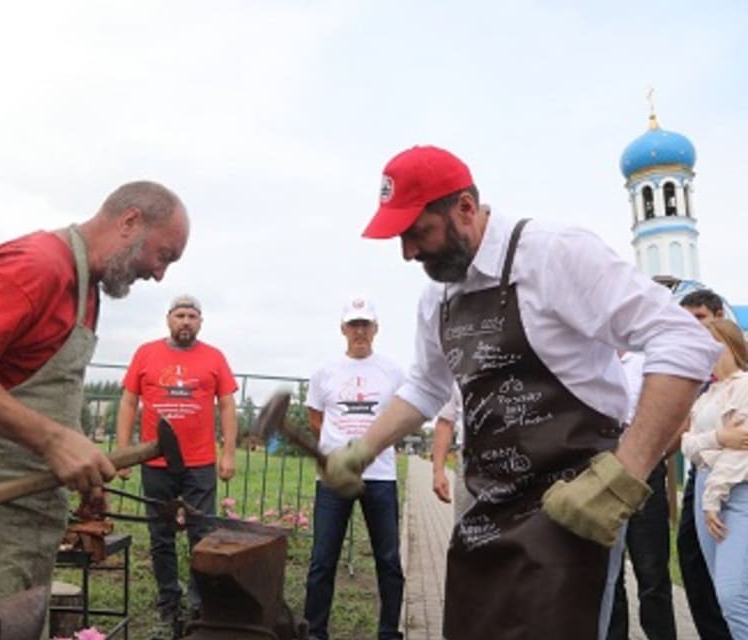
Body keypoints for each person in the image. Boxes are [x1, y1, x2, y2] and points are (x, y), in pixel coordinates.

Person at [318, 145, 721, 640]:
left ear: (465, 207)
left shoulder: (554, 254)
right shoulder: (436, 296)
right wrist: (363, 449)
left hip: (574, 507)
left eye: (418, 232)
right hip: (487, 510)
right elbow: (426, 386)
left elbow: (682, 340)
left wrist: (624, 475)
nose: (408, 252)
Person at [0, 181, 189, 618]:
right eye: (163, 255)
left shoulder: (84, 290)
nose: (159, 274)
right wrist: (52, 441)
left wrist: (79, 457)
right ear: (130, 221)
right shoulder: (35, 266)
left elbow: (40, 393)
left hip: (25, 519)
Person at [115, 294, 238, 637]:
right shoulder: (146, 353)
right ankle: (168, 603)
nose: (186, 321)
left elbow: (227, 406)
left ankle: (200, 604)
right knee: (161, 535)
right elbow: (128, 402)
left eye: (192, 316)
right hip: (155, 461)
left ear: (200, 322)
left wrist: (228, 453)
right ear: (169, 319)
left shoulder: (214, 357)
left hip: (200, 462)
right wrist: (123, 454)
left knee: (202, 534)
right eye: (180, 315)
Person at [304, 296, 405, 640]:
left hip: (380, 476)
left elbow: (400, 418)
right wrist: (338, 455)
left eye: (365, 324)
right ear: (343, 329)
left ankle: (389, 632)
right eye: (353, 325)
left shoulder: (393, 372)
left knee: (388, 560)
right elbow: (315, 420)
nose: (359, 331)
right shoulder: (325, 372)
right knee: (322, 560)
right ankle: (315, 632)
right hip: (334, 479)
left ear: (376, 329)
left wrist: (370, 450)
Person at [681, 318, 748, 638]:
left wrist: (711, 499)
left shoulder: (743, 386)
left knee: (732, 595)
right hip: (706, 490)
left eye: (712, 343)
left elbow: (740, 451)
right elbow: (687, 445)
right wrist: (719, 437)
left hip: (734, 491)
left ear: (730, 344)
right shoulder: (706, 395)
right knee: (722, 595)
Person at [607, 350, 676, 640]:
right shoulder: (594, 359)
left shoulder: (647, 360)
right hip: (603, 473)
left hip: (645, 472)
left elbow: (676, 416)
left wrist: (653, 456)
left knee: (652, 572)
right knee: (610, 577)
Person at [676, 289, 733, 640]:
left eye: (700, 317)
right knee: (692, 558)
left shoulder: (737, 375)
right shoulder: (693, 367)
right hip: (700, 474)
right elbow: (686, 435)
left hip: (733, 479)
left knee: (731, 581)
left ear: (718, 317)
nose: (695, 326)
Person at [431, 383, 473, 521]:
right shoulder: (458, 377)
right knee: (467, 522)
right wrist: (438, 471)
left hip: (520, 457)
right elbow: (445, 422)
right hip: (470, 461)